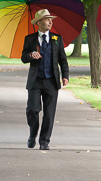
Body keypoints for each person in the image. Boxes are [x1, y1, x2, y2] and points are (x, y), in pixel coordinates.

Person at [21, 9, 69, 151]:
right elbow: (23, 58)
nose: (50, 22)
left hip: (51, 81)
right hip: (35, 81)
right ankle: (32, 134)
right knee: (33, 111)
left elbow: (63, 59)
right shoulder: (29, 39)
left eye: (50, 20)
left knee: (49, 113)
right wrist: (31, 55)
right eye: (47, 19)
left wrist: (65, 75)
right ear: (39, 22)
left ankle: (44, 141)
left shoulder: (57, 39)